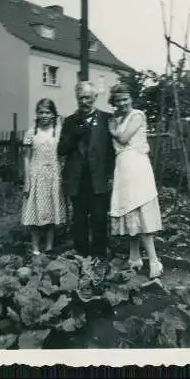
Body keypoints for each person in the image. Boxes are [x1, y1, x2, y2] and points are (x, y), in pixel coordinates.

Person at [107, 82, 163, 279]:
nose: (122, 103)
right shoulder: (118, 118)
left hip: (137, 166)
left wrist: (113, 129)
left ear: (131, 98)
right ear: (113, 102)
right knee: (130, 212)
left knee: (141, 210)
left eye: (125, 99)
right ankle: (134, 258)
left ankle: (154, 260)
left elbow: (123, 138)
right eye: (118, 100)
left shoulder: (137, 115)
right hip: (123, 168)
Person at [57, 81, 115, 261]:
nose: (84, 102)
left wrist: (111, 174)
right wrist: (76, 133)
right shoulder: (69, 121)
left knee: (99, 217)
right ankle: (81, 253)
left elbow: (113, 150)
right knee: (79, 218)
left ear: (95, 98)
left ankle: (99, 254)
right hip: (77, 178)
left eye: (88, 98)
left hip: (98, 176)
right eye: (81, 98)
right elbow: (61, 150)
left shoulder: (106, 119)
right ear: (76, 98)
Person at [21, 98, 66, 255]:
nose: (44, 115)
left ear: (53, 114)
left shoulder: (58, 131)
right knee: (35, 213)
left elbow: (62, 154)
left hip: (53, 174)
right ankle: (35, 248)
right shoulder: (31, 132)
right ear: (37, 114)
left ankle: (49, 247)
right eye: (41, 112)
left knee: (51, 212)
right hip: (37, 175)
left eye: (48, 112)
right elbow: (26, 157)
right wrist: (27, 179)